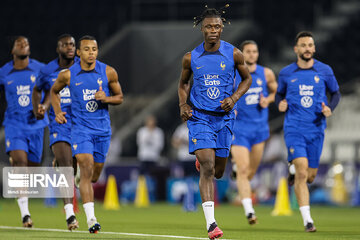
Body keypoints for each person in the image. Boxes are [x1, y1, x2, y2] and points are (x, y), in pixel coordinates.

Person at [178, 5, 252, 239]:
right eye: (209, 26)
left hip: (224, 119)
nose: (213, 30)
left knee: (219, 171)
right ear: (202, 28)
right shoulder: (191, 57)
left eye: (217, 26)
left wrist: (234, 97)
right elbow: (182, 84)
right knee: (208, 166)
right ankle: (211, 224)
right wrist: (183, 105)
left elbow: (247, 79)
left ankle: (205, 161)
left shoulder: (234, 54)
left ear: (222, 29)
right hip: (200, 117)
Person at [50, 35, 123, 233]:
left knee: (94, 174)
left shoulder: (108, 72)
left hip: (102, 130)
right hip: (80, 129)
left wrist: (105, 98)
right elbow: (53, 91)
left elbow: (120, 97)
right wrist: (57, 111)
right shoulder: (68, 74)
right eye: (87, 49)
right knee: (86, 166)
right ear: (79, 53)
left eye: (94, 49)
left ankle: (79, 174)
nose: (91, 52)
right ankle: (92, 219)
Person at [276, 31, 341, 232]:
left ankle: (293, 169)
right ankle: (308, 220)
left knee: (311, 176)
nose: (307, 49)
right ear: (296, 49)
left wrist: (330, 107)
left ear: (314, 48)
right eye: (303, 45)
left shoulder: (325, 70)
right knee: (303, 172)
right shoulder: (287, 73)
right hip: (294, 128)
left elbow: (336, 93)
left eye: (310, 45)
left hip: (316, 128)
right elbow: (279, 94)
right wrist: (281, 104)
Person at [32, 34, 79, 230]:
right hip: (59, 122)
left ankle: (60, 162)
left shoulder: (83, 66)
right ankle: (70, 215)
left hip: (80, 123)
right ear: (58, 48)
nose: (70, 47)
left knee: (77, 166)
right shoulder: (47, 70)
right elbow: (37, 90)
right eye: (65, 44)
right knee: (67, 167)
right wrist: (39, 109)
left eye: (72, 44)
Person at [0, 36, 47, 227]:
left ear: (29, 49)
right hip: (14, 124)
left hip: (36, 126)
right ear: (13, 50)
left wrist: (45, 106)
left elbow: (54, 90)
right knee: (20, 162)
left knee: (32, 169)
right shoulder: (4, 72)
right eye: (19, 44)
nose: (22, 46)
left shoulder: (40, 69)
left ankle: (20, 184)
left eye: (26, 43)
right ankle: (25, 214)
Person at [230, 40, 277, 224]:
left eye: (254, 51)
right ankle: (249, 211)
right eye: (248, 51)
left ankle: (238, 178)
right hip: (240, 129)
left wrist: (269, 100)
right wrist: (230, 106)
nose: (251, 54)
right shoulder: (233, 75)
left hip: (259, 129)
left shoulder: (266, 73)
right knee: (243, 169)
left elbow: (276, 91)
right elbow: (224, 95)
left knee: (250, 172)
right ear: (242, 54)